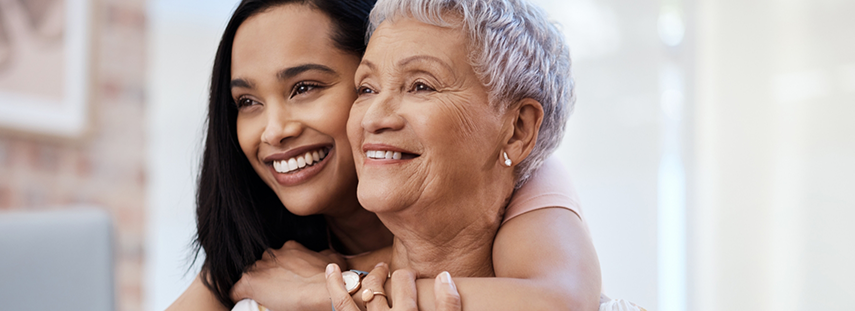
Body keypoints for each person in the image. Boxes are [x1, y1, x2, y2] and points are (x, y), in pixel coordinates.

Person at [166, 0, 609, 310]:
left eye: (306, 88)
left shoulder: (527, 174)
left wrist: (341, 290)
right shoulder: (259, 247)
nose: (275, 130)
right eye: (246, 102)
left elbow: (560, 300)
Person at [321, 0, 640, 310]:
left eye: (421, 86)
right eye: (366, 89)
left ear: (518, 129)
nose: (372, 118)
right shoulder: (287, 298)